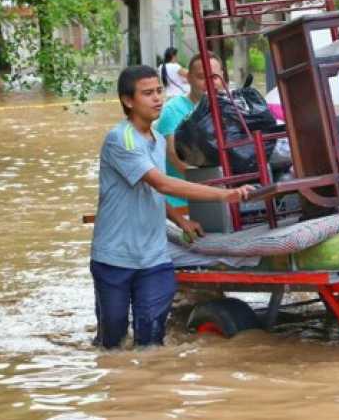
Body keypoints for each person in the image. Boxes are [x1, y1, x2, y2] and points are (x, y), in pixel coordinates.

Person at [89, 65, 252, 349]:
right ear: (128, 101)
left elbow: (151, 193)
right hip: (115, 258)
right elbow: (162, 184)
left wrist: (180, 220)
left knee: (152, 341)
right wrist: (223, 196)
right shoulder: (122, 139)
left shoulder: (157, 139)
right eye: (147, 93)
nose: (157, 99)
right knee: (111, 342)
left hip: (154, 258)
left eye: (159, 91)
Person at [155, 53, 224, 208]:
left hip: (219, 190)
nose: (209, 83)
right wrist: (215, 189)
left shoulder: (228, 107)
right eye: (201, 77)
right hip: (182, 201)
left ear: (222, 77)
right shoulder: (172, 111)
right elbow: (175, 159)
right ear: (189, 78)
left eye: (214, 77)